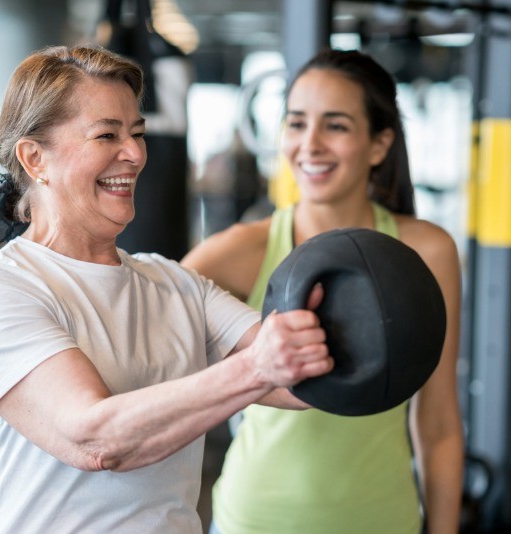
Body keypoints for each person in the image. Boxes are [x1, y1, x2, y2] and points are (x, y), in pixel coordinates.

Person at [0, 45, 333, 534]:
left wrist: (354, 328)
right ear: (34, 158)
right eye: (107, 134)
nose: (133, 154)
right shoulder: (2, 291)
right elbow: (96, 439)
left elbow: (294, 380)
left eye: (137, 133)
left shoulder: (176, 284)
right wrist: (256, 367)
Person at [182, 49, 464, 533]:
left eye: (335, 126)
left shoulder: (427, 251)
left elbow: (437, 424)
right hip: (255, 519)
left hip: (382, 520)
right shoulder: (236, 253)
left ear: (379, 145)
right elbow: (158, 369)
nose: (309, 144)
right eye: (296, 123)